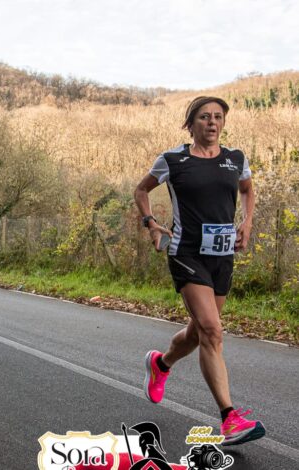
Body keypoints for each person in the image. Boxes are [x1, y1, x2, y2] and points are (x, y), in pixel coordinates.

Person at [134, 96, 262, 446]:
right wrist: (151, 223)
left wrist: (247, 221)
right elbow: (141, 190)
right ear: (190, 124)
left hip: (222, 257)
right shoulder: (173, 160)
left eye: (218, 117)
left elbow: (248, 190)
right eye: (204, 117)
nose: (212, 122)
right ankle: (230, 419)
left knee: (198, 333)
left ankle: (161, 364)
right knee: (212, 330)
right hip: (186, 252)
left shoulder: (236, 159)